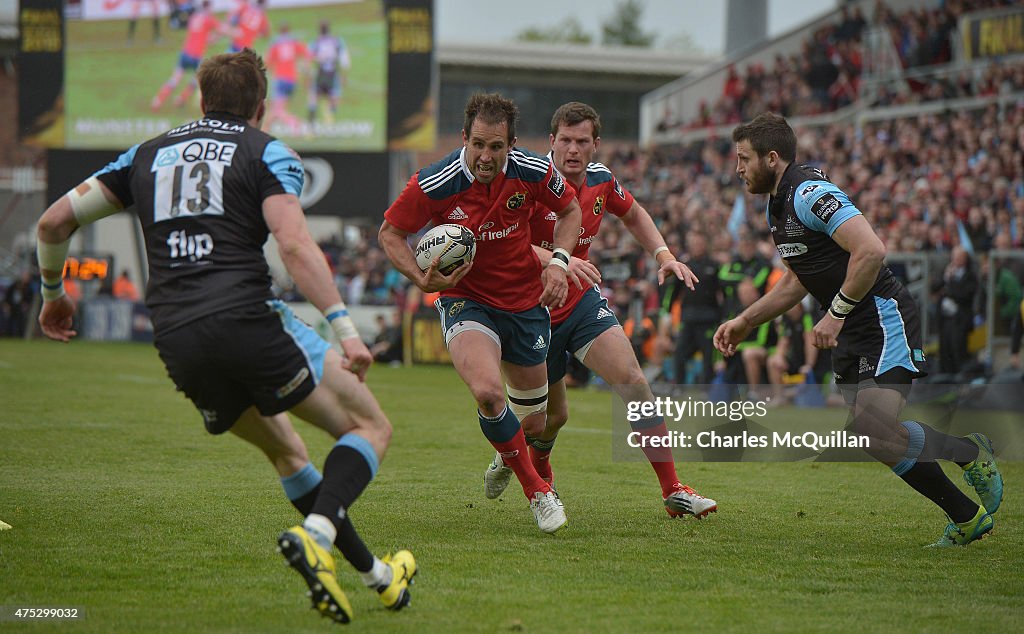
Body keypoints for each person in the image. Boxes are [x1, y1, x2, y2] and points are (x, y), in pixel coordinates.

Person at [37, 49, 415, 624]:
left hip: (177, 340)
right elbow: (292, 243)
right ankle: (315, 535)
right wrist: (344, 328)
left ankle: (376, 576)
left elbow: (52, 224)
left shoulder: (143, 156)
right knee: (370, 427)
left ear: (201, 100)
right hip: (247, 320)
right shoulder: (267, 152)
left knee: (289, 453)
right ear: (260, 107)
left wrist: (53, 295)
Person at [715, 112, 1003, 547]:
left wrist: (836, 311)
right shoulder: (776, 204)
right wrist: (745, 320)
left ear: (772, 158)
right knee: (874, 436)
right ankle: (967, 487)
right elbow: (796, 280)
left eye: (743, 159)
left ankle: (968, 485)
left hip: (881, 317)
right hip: (851, 327)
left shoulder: (811, 193)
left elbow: (871, 250)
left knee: (873, 428)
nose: (737, 169)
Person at [482, 101, 716, 518]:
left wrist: (663, 254)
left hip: (580, 302)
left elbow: (635, 214)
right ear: (551, 142)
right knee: (549, 421)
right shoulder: (526, 180)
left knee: (633, 380)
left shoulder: (601, 179)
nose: (573, 149)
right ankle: (521, 459)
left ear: (596, 145)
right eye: (566, 141)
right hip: (529, 311)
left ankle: (673, 489)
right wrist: (558, 258)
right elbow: (500, 242)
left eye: (582, 141)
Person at [379, 93, 583, 534]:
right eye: (478, 145)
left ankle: (505, 453)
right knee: (489, 393)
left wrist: (560, 262)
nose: (486, 156)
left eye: (496, 147)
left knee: (532, 424)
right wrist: (420, 277)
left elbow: (570, 209)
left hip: (526, 302)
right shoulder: (434, 182)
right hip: (465, 299)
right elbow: (391, 234)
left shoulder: (533, 171)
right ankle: (538, 492)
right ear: (463, 139)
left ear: (511, 144)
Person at [661, 230, 721, 384]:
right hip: (688, 318)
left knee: (708, 355)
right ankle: (678, 386)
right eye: (694, 244)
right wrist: (666, 313)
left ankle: (707, 388)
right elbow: (673, 292)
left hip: (708, 317)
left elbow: (722, 294)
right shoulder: (683, 265)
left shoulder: (714, 266)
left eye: (700, 243)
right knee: (679, 353)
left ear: (705, 245)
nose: (697, 247)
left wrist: (722, 315)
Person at [150, 0, 228, 111]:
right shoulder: (208, 19)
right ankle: (180, 99)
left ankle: (157, 101)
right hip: (196, 57)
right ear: (208, 8)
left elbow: (201, 36)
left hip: (185, 53)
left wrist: (212, 37)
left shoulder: (194, 17)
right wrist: (229, 32)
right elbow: (222, 29)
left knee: (174, 79)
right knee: (196, 81)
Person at [935, 246, 977, 375]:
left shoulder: (970, 275)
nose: (955, 260)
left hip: (960, 318)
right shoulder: (947, 272)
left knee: (957, 346)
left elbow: (964, 294)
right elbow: (935, 287)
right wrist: (946, 277)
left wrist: (950, 285)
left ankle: (959, 374)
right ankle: (945, 374)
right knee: (945, 346)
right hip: (946, 318)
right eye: (954, 257)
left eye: (959, 257)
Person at [263, 22, 310, 135]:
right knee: (276, 110)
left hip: (280, 80)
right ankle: (263, 132)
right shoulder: (293, 42)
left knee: (278, 110)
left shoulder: (275, 44)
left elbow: (266, 62)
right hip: (292, 80)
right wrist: (305, 66)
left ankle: (294, 123)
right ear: (288, 31)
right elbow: (307, 53)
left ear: (279, 31)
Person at [307, 21, 351, 125]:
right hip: (332, 72)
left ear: (319, 30)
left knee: (314, 95)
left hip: (321, 72)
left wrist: (308, 73)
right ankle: (331, 116)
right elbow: (344, 58)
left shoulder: (316, 42)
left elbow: (309, 56)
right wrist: (344, 74)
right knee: (334, 95)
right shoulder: (336, 41)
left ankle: (311, 121)